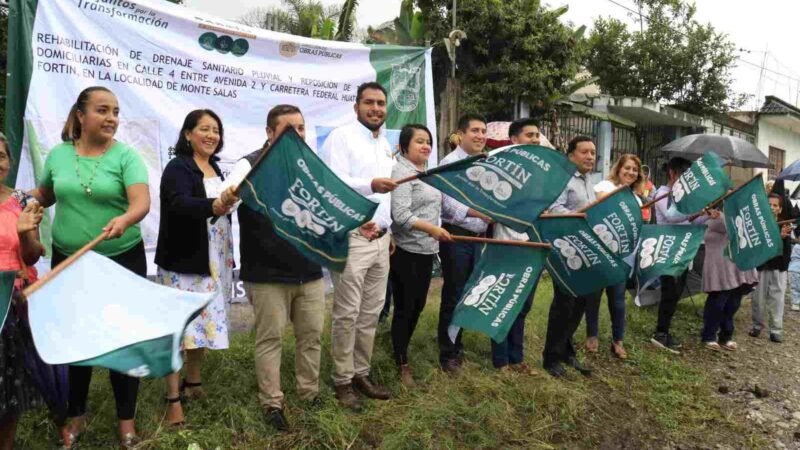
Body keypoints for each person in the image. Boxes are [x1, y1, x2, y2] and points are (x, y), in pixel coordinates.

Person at [30, 86, 150, 449]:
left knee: (122, 340)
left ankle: (126, 420)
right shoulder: (58, 156)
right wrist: (23, 203)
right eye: (102, 110)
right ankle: (76, 414)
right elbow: (46, 194)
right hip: (71, 261)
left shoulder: (127, 157)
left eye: (115, 111)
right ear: (81, 116)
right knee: (77, 340)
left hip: (121, 259)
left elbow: (141, 203)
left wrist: (125, 219)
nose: (112, 117)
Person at [220, 105, 326, 431]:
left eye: (302, 127)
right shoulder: (249, 164)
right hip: (267, 275)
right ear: (270, 133)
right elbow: (233, 190)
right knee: (270, 340)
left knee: (311, 338)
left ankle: (309, 393)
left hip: (309, 272)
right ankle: (272, 403)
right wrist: (229, 194)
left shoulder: (311, 166)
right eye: (288, 128)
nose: (297, 134)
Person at [155, 109, 236, 427]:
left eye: (216, 130)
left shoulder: (216, 167)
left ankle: (194, 381)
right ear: (187, 134)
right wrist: (212, 206)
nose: (211, 135)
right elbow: (177, 203)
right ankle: (172, 398)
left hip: (214, 258)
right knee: (179, 328)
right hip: (185, 261)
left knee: (203, 323)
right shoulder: (178, 167)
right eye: (204, 129)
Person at [320, 82, 398, 411]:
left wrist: (389, 229)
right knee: (347, 314)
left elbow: (388, 194)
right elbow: (331, 183)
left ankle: (361, 373)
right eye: (369, 103)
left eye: (381, 103)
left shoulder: (384, 144)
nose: (376, 108)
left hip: (380, 241)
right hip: (353, 237)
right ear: (356, 107)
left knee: (371, 313)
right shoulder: (342, 137)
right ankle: (342, 380)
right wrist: (369, 185)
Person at [389, 124, 453, 387]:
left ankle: (400, 346)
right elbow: (400, 215)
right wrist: (432, 229)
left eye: (428, 141)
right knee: (406, 307)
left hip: (427, 250)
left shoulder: (426, 172)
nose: (426, 146)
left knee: (418, 305)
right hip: (407, 251)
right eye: (419, 141)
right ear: (405, 145)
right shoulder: (402, 173)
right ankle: (402, 360)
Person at [0, 132, 47, 450]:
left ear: (9, 162)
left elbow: (33, 255)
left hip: (12, 306)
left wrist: (25, 234)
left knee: (9, 389)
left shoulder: (24, 203)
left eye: (1, 155)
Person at [437, 113, 493, 375]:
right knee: (454, 292)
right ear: (461, 134)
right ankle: (447, 352)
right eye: (475, 131)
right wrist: (481, 213)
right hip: (456, 236)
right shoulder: (450, 163)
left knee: (469, 292)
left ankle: (457, 342)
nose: (481, 136)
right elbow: (449, 206)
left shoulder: (487, 163)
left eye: (483, 131)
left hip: (478, 239)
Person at [541, 135, 599, 378]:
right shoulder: (563, 179)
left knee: (580, 302)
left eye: (593, 153)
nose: (589, 157)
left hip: (584, 249)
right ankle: (551, 357)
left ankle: (566, 350)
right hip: (565, 249)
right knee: (564, 304)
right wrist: (578, 216)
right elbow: (554, 209)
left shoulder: (589, 181)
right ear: (571, 155)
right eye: (584, 152)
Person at [489, 118, 541, 374]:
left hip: (532, 245)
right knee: (504, 301)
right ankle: (500, 360)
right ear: (514, 139)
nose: (535, 139)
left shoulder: (542, 171)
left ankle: (516, 357)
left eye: (537, 135)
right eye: (529, 135)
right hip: (506, 243)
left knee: (523, 305)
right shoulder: (501, 164)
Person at [584, 154, 644, 360]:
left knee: (617, 301)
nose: (630, 172)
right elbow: (600, 202)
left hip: (622, 257)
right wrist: (622, 193)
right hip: (600, 252)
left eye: (634, 170)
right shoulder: (605, 186)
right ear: (618, 169)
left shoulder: (636, 198)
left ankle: (618, 341)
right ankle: (592, 336)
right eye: (627, 168)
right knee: (592, 297)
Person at [650, 157, 708, 353]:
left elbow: (692, 223)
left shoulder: (683, 198)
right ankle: (660, 332)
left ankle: (665, 330)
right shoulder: (662, 194)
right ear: (672, 173)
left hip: (683, 249)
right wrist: (694, 212)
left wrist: (707, 214)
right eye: (683, 174)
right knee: (669, 291)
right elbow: (672, 217)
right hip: (667, 248)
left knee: (677, 292)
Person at [700, 208, 758, 350]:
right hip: (719, 268)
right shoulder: (716, 216)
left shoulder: (740, 215)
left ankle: (726, 336)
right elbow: (731, 226)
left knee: (732, 304)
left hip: (737, 266)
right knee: (717, 303)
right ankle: (709, 335)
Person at [749, 193, 793, 343]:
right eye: (769, 204)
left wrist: (783, 238)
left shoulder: (784, 225)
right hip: (761, 266)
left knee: (777, 299)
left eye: (775, 205)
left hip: (778, 267)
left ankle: (776, 330)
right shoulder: (758, 224)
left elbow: (787, 249)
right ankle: (757, 325)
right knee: (758, 299)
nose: (772, 207)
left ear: (779, 209)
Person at [789, 240, 800, 312]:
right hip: (795, 269)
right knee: (795, 287)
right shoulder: (797, 247)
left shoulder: (795, 246)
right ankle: (795, 303)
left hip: (794, 269)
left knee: (795, 287)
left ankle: (795, 303)